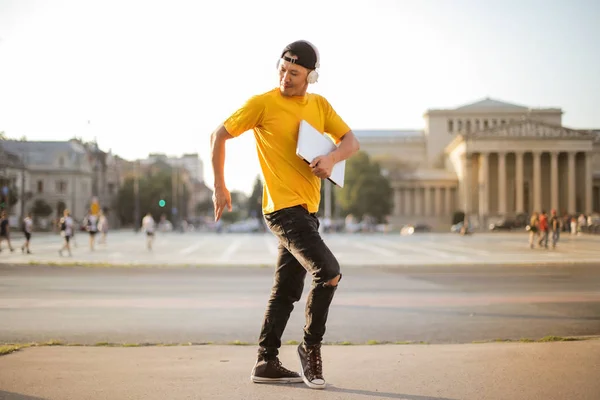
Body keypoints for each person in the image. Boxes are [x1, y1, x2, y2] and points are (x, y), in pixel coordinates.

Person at [210, 40, 360, 390]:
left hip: (307, 211)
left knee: (287, 290)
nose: (285, 78)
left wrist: (332, 158)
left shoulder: (320, 105)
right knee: (329, 273)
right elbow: (219, 135)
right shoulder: (262, 104)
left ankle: (266, 361)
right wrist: (220, 186)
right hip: (281, 209)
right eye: (282, 69)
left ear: (311, 76)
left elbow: (351, 141)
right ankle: (310, 348)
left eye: (294, 73)